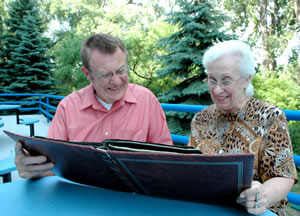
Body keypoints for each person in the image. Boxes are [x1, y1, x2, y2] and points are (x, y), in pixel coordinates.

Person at [15, 33, 173, 179]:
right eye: (105, 75)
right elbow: (54, 165)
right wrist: (33, 168)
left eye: (121, 71)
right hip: (81, 198)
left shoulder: (147, 101)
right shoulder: (67, 108)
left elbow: (167, 159)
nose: (116, 81)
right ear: (87, 74)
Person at [188, 40, 298, 216]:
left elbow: (283, 175)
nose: (217, 90)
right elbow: (192, 167)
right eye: (212, 80)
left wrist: (263, 196)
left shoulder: (269, 116)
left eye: (226, 81)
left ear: (246, 79)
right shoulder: (200, 119)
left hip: (256, 212)